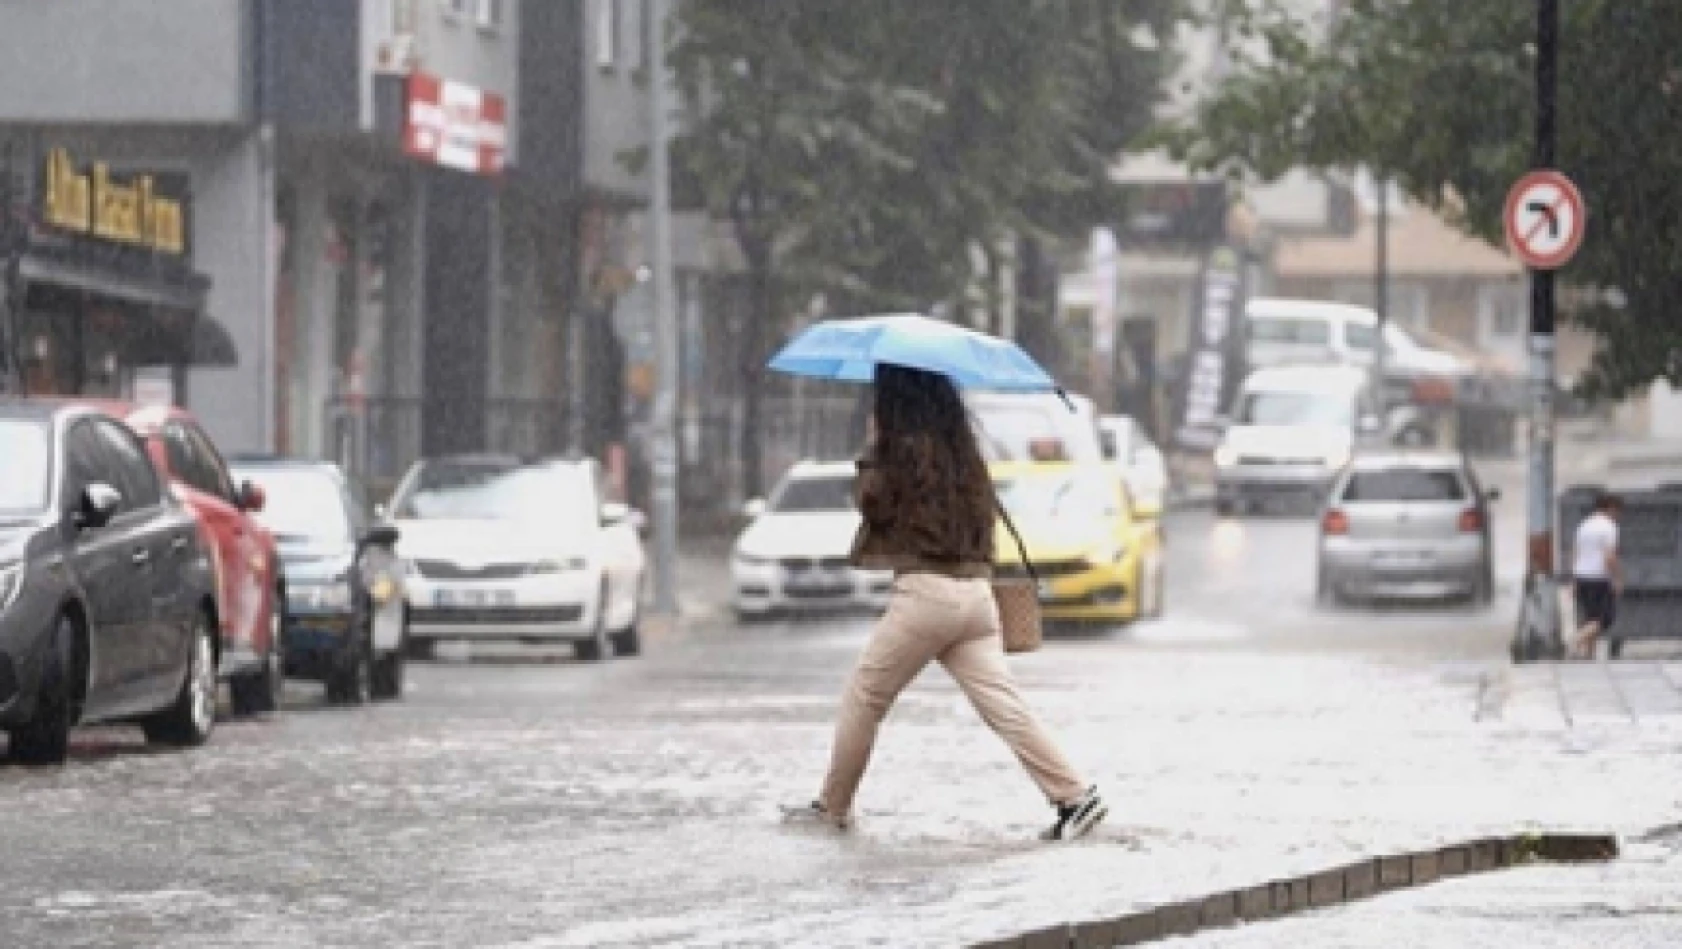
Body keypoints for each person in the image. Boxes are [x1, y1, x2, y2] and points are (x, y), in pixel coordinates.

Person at [782, 363, 1107, 841]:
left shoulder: (900, 452)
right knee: (1005, 707)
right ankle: (1075, 797)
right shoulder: (963, 453)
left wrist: (875, 447)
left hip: (926, 596)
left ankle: (833, 807)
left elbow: (872, 503)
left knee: (865, 697)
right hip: (976, 598)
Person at [1569, 492, 1623, 659]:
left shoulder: (1583, 525)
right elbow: (1610, 557)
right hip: (1599, 577)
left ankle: (1588, 655)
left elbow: (1576, 553)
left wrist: (1574, 579)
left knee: (1590, 617)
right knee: (1605, 618)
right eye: (1618, 511)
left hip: (1582, 575)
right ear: (1611, 508)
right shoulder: (1609, 527)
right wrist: (1617, 578)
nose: (1619, 516)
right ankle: (1576, 640)